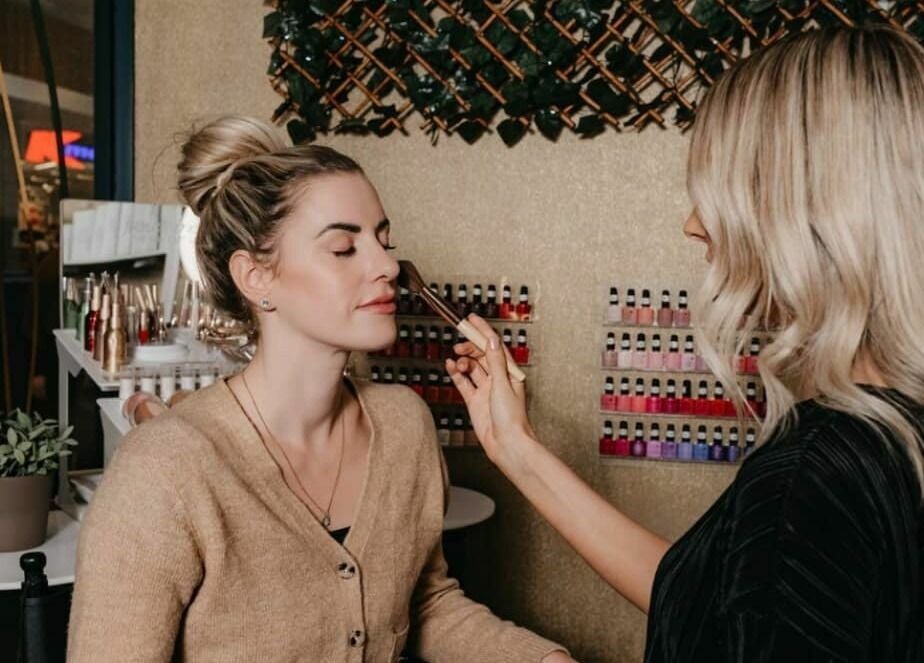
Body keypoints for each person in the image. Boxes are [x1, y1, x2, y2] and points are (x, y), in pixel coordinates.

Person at [449, 25, 924, 662]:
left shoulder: (813, 475)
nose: (693, 224)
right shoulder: (888, 429)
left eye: (716, 190)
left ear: (803, 207)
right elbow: (707, 604)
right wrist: (517, 448)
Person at [67, 116, 572, 663]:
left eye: (384, 240)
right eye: (343, 248)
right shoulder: (164, 470)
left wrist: (542, 659)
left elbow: (423, 604)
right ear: (256, 277)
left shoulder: (405, 424)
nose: (387, 266)